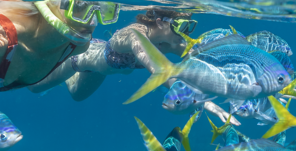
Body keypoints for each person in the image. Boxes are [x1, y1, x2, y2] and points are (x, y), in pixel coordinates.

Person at [30, 7, 194, 101]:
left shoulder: (169, 44)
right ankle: (51, 47)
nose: (185, 32)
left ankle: (59, 52)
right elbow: (155, 65)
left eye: (190, 26)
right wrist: (185, 92)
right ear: (160, 22)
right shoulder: (134, 34)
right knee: (34, 86)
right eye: (182, 26)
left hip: (99, 70)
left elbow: (200, 56)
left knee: (77, 95)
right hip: (81, 58)